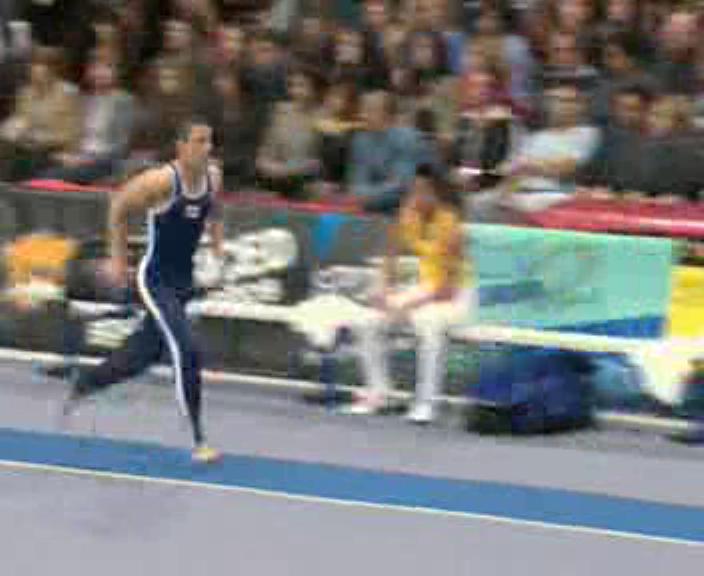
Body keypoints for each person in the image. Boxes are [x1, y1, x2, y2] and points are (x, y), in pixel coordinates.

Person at [63, 117, 225, 464]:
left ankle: (86, 382)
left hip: (184, 281)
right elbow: (118, 207)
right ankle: (199, 440)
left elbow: (214, 211)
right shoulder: (161, 181)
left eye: (210, 141)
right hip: (155, 280)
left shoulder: (213, 176)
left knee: (144, 354)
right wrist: (118, 260)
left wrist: (218, 251)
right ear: (181, 147)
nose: (207, 148)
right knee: (186, 348)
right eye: (199, 141)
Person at [342, 163, 475, 424]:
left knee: (426, 321)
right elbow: (389, 256)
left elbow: (447, 289)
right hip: (425, 290)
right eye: (414, 191)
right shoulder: (409, 214)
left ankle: (426, 403)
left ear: (438, 194)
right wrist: (384, 289)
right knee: (367, 321)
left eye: (424, 191)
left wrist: (409, 305)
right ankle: (380, 393)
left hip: (458, 296)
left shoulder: (451, 225)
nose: (417, 197)